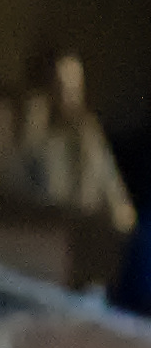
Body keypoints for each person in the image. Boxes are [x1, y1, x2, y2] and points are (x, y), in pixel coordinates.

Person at [20, 51, 135, 236]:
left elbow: (117, 201)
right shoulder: (35, 137)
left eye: (74, 85)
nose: (69, 94)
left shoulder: (89, 135)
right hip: (44, 235)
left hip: (84, 237)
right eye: (61, 85)